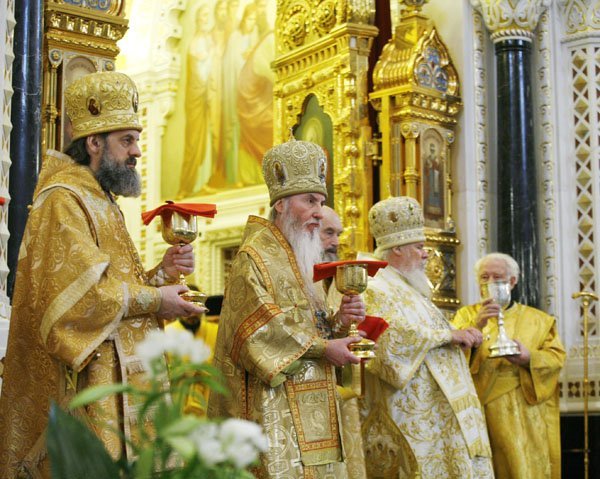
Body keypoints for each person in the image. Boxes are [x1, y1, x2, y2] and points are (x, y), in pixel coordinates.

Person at [0, 71, 204, 478]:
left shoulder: (101, 200)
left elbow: (119, 290)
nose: (138, 152)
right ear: (94, 143)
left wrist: (160, 276)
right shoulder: (64, 199)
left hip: (126, 384)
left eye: (137, 139)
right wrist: (157, 299)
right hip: (93, 388)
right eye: (127, 140)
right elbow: (78, 301)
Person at [208, 138, 366, 478]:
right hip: (272, 411)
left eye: (321, 202)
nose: (319, 212)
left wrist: (339, 323)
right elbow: (255, 331)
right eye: (310, 200)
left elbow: (312, 327)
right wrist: (326, 348)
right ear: (280, 204)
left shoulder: (300, 257)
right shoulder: (254, 256)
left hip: (314, 410)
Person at [360, 196, 494, 478]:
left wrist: (452, 336)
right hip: (416, 419)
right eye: (419, 247)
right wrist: (448, 335)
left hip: (442, 416)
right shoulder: (375, 286)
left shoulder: (409, 288)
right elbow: (385, 340)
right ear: (396, 248)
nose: (426, 254)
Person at [452, 252, 566, 479]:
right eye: (484, 277)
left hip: (522, 413)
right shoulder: (465, 315)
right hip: (477, 410)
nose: (490, 282)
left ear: (512, 281)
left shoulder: (539, 320)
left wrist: (529, 358)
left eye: (497, 277)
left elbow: (556, 358)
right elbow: (448, 358)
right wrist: (476, 325)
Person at [318, 205, 367, 479]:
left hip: (339, 398)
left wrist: (343, 322)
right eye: (328, 232)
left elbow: (325, 330)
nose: (335, 241)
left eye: (338, 234)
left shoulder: (337, 280)